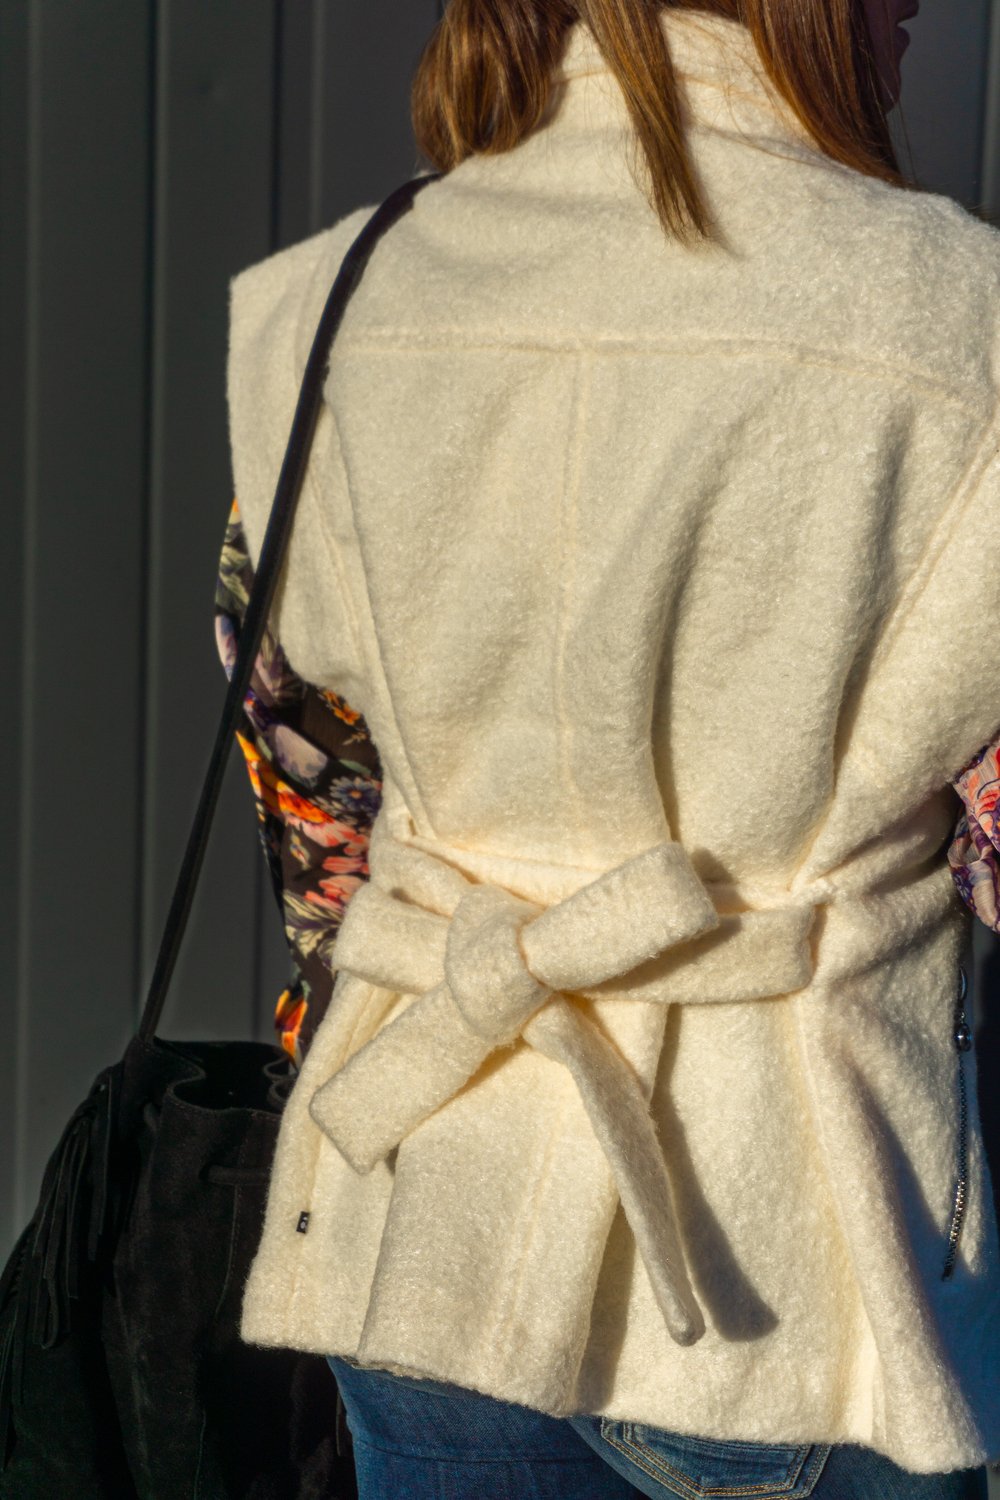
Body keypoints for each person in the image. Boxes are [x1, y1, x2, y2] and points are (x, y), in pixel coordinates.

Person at [218, 1, 1000, 1495]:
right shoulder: (968, 321)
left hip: (421, 1219)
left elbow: (316, 818)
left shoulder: (333, 301)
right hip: (800, 1279)